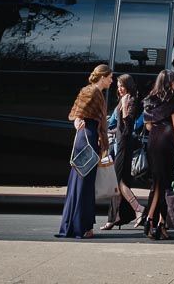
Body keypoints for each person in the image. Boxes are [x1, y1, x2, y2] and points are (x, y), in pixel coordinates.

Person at [56, 64, 113, 238]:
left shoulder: (94, 92)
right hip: (87, 140)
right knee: (82, 185)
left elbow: (78, 112)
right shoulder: (92, 91)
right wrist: (77, 122)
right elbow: (77, 113)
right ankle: (79, 227)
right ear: (102, 77)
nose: (112, 80)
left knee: (83, 184)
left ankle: (81, 226)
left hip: (89, 138)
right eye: (110, 77)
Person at [141, 70, 174, 240]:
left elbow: (148, 126)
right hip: (167, 142)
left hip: (153, 141)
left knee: (157, 183)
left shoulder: (149, 99)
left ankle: (150, 219)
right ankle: (160, 224)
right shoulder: (172, 100)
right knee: (166, 184)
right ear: (171, 83)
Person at [101, 73, 146, 230]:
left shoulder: (130, 100)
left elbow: (128, 127)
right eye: (118, 86)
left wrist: (126, 109)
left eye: (122, 86)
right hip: (120, 143)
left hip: (124, 145)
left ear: (128, 86)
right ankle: (116, 216)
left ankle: (138, 208)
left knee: (117, 181)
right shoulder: (123, 100)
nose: (119, 89)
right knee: (120, 181)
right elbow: (119, 126)